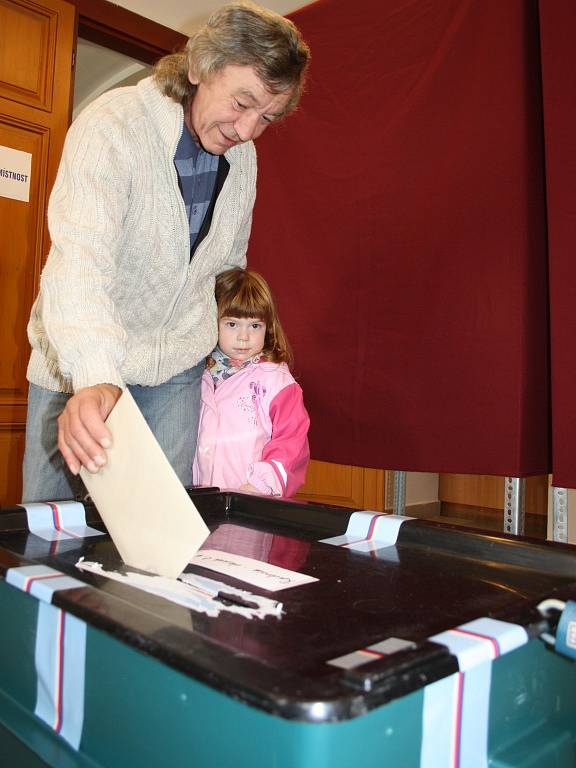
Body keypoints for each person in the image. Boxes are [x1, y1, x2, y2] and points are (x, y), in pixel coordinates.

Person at [22, 2, 310, 502]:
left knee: (158, 533)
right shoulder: (112, 126)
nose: (247, 131)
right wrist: (94, 376)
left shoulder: (243, 160)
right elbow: (80, 262)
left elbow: (224, 272)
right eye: (241, 104)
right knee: (55, 532)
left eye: (267, 117)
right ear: (200, 67)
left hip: (174, 370)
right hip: (79, 364)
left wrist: (235, 356)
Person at [193, 268, 310, 496]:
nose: (244, 337)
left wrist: (264, 482)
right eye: (232, 324)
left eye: (255, 326)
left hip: (251, 498)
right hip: (203, 501)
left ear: (268, 328)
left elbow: (292, 442)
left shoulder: (277, 382)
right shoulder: (198, 376)